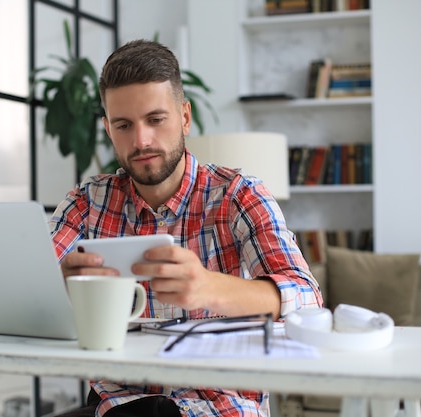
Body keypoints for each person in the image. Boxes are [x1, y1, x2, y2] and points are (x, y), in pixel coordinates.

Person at [49, 39, 322, 417]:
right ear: (108, 130)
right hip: (122, 404)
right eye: (123, 125)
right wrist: (57, 284)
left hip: (221, 405)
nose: (141, 140)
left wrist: (211, 288)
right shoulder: (87, 203)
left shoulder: (237, 195)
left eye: (156, 120)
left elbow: (307, 297)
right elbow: (29, 290)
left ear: (185, 117)